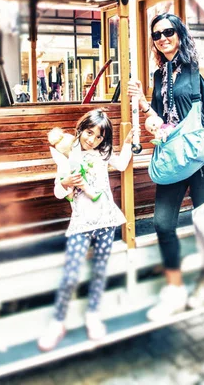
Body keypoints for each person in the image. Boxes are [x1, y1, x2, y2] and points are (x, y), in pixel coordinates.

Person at [128, 13, 204, 321]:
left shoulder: (199, 69)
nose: (162, 38)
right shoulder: (159, 76)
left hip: (203, 155)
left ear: (180, 33)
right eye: (157, 35)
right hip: (174, 155)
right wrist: (146, 112)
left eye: (168, 31)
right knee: (162, 222)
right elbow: (160, 124)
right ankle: (174, 290)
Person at [38, 109, 135, 352]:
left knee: (99, 271)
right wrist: (65, 183)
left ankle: (93, 315)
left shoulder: (103, 153)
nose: (92, 140)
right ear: (81, 129)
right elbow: (59, 192)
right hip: (81, 223)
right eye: (89, 133)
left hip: (106, 220)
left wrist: (127, 144)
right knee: (71, 274)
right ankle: (58, 322)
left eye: (98, 137)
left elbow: (122, 164)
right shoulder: (69, 153)